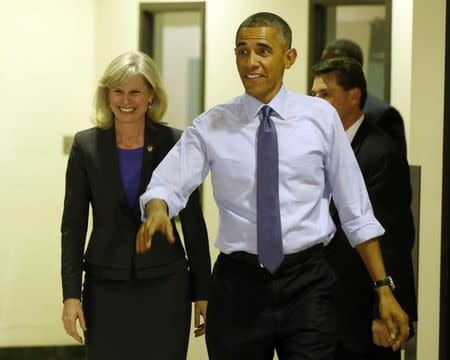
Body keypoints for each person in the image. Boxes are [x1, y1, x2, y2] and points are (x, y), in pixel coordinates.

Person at [136, 12, 409, 360]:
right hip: (238, 287)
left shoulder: (320, 118)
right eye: (242, 51)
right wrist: (158, 208)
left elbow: (357, 211)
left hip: (308, 284)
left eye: (263, 50)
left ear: (289, 57)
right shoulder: (212, 124)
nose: (251, 62)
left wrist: (384, 289)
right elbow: (167, 182)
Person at [60, 51, 211, 359]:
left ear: (151, 96)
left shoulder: (175, 143)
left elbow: (194, 221)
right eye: (117, 91)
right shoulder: (85, 145)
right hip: (105, 287)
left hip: (165, 286)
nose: (125, 100)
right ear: (106, 94)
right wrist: (71, 295)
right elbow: (72, 227)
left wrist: (203, 292)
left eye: (134, 92)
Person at [311, 57, 417, 360]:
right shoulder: (313, 148)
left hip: (362, 309)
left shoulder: (380, 152)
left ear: (353, 96)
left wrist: (381, 307)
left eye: (325, 94)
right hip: (318, 308)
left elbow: (394, 239)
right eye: (313, 94)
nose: (316, 101)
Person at [321, 38, 407, 154]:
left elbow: (392, 163)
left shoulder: (384, 115)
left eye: (335, 68)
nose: (327, 73)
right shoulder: (317, 109)